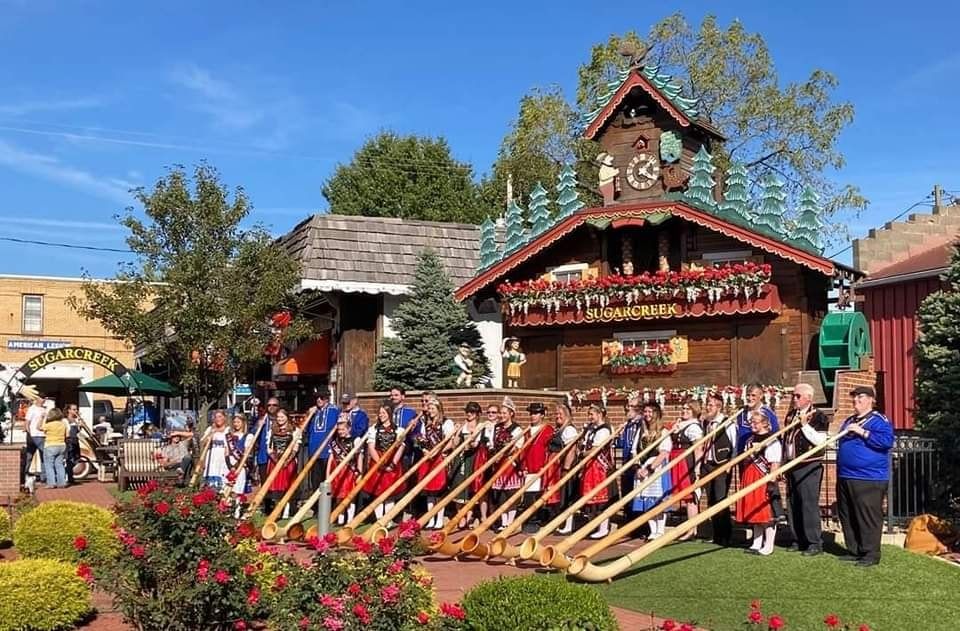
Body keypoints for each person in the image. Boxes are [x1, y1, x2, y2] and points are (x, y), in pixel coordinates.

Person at [836, 386, 895, 567]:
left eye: (860, 397)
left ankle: (870, 554)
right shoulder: (849, 420)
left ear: (871, 399)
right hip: (846, 475)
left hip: (869, 478)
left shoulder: (878, 420)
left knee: (867, 516)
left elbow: (886, 442)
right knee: (848, 515)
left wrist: (862, 432)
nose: (856, 401)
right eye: (854, 398)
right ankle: (854, 550)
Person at [783, 383, 830, 556]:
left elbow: (821, 441)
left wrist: (804, 425)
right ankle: (798, 539)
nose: (794, 399)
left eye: (798, 396)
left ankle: (814, 543)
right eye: (794, 396)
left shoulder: (819, 416)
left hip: (809, 464)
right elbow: (786, 441)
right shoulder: (790, 415)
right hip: (791, 465)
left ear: (809, 398)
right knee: (793, 502)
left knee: (808, 504)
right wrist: (782, 464)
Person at [736, 410, 782, 556]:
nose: (752, 425)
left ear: (764, 423)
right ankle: (756, 542)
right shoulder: (750, 440)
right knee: (753, 511)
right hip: (750, 476)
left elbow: (774, 463)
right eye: (751, 423)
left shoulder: (771, 440)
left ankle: (768, 545)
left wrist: (771, 482)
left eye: (755, 422)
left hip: (763, 477)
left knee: (766, 514)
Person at [700, 392, 737, 545]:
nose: (707, 407)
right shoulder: (706, 423)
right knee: (711, 500)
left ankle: (725, 535)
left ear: (719, 407)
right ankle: (716, 534)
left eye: (710, 405)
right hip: (708, 464)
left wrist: (730, 464)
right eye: (707, 404)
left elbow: (735, 446)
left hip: (721, 464)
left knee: (720, 499)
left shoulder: (727, 423)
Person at [632, 403, 672, 540]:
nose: (647, 415)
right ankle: (652, 530)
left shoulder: (663, 432)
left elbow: (664, 453)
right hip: (642, 467)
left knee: (657, 500)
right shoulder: (641, 432)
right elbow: (634, 451)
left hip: (656, 467)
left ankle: (660, 531)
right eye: (646, 411)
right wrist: (637, 468)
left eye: (651, 412)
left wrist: (650, 469)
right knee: (645, 500)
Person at [417, 397, 456, 529]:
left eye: (432, 409)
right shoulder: (426, 424)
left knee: (439, 491)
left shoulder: (446, 423)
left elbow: (450, 441)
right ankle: (431, 519)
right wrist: (425, 450)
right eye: (429, 409)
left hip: (440, 459)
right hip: (428, 459)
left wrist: (438, 452)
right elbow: (422, 440)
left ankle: (439, 519)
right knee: (429, 491)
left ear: (439, 409)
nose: (430, 411)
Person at [668, 399, 705, 539]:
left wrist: (696, 468)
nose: (684, 411)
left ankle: (692, 529)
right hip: (676, 460)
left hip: (686, 462)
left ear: (694, 411)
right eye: (683, 408)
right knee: (681, 496)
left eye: (688, 409)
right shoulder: (680, 424)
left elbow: (698, 448)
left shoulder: (694, 427)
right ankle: (688, 528)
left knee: (690, 497)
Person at [450, 402, 489, 529]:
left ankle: (469, 516)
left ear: (477, 414)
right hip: (461, 459)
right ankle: (460, 516)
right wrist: (456, 433)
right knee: (459, 487)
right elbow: (455, 444)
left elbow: (476, 446)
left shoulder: (481, 427)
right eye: (467, 411)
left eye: (472, 412)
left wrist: (472, 438)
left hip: (474, 459)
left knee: (471, 488)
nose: (469, 414)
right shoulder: (462, 426)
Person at [364, 404, 405, 521]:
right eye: (380, 413)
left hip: (392, 463)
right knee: (377, 492)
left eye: (384, 413)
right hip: (377, 462)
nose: (381, 415)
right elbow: (371, 447)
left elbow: (400, 448)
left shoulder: (399, 430)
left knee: (390, 493)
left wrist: (393, 464)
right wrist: (380, 463)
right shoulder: (373, 429)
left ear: (390, 414)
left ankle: (387, 520)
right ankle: (379, 519)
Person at [579, 404, 614, 539]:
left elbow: (595, 450)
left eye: (591, 414)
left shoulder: (604, 430)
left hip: (600, 467)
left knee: (601, 498)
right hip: (590, 466)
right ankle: (593, 525)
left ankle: (603, 527)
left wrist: (583, 453)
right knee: (590, 498)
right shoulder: (591, 429)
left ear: (599, 415)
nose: (589, 417)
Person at [520, 402, 554, 531]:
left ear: (542, 415)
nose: (533, 416)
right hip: (529, 468)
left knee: (539, 496)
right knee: (529, 496)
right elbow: (523, 450)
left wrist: (545, 466)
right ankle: (529, 519)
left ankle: (538, 519)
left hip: (541, 467)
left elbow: (549, 451)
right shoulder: (527, 431)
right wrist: (523, 467)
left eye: (536, 413)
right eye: (532, 413)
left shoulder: (548, 430)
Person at [491, 397, 524, 533]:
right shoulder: (497, 428)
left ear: (511, 414)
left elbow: (517, 446)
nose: (502, 415)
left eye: (505, 413)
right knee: (500, 495)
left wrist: (504, 453)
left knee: (510, 493)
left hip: (510, 463)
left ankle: (510, 522)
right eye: (501, 413)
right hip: (498, 464)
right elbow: (492, 444)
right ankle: (504, 522)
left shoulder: (516, 429)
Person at [549, 403, 581, 535]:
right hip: (556, 467)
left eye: (560, 414)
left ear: (567, 415)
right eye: (556, 414)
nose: (558, 416)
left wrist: (566, 468)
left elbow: (571, 449)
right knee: (560, 496)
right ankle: (561, 522)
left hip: (565, 467)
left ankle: (568, 525)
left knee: (567, 495)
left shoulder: (569, 430)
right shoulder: (559, 429)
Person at [328, 415, 364, 526]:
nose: (340, 432)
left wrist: (359, 472)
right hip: (338, 471)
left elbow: (359, 457)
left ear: (349, 428)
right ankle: (340, 519)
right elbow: (331, 458)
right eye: (339, 430)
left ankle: (349, 520)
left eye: (343, 429)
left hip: (350, 472)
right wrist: (328, 474)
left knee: (349, 497)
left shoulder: (355, 440)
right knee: (338, 496)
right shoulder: (335, 441)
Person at [263, 409, 298, 516]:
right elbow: (269, 448)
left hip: (289, 462)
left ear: (287, 417)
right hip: (275, 461)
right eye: (278, 417)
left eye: (282, 416)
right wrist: (276, 460)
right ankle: (278, 510)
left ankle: (287, 509)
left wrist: (286, 461)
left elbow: (295, 448)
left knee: (287, 486)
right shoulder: (272, 430)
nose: (280, 419)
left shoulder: (294, 430)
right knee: (276, 487)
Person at [619, 398, 645, 524]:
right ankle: (628, 520)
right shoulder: (628, 424)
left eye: (631, 406)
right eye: (627, 405)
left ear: (639, 408)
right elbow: (622, 444)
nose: (627, 408)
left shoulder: (642, 423)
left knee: (637, 493)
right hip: (626, 461)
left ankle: (638, 524)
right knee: (626, 490)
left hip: (636, 461)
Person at [736, 384, 779, 453]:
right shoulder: (741, 413)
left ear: (761, 396)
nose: (750, 398)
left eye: (753, 395)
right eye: (748, 395)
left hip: (760, 458)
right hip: (741, 456)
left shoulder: (769, 415)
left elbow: (776, 437)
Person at [226, 413, 253, 503]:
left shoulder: (248, 436)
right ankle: (227, 507)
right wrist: (229, 465)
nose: (236, 424)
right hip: (229, 464)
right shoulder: (229, 436)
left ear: (243, 423)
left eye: (238, 422)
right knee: (228, 487)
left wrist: (237, 465)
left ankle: (237, 509)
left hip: (241, 465)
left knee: (239, 488)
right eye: (234, 422)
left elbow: (246, 453)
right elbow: (226, 451)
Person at [201, 410, 230, 489]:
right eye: (216, 417)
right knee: (210, 483)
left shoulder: (228, 430)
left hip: (223, 458)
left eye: (220, 416)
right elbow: (203, 443)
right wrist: (211, 432)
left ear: (224, 418)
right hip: (211, 458)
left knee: (223, 482)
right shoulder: (210, 429)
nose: (218, 419)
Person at [40, 407, 69, 488]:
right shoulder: (63, 424)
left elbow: (39, 427)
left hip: (50, 445)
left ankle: (51, 483)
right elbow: (67, 435)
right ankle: (62, 482)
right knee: (59, 465)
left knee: (49, 465)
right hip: (61, 445)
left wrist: (43, 418)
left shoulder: (49, 425)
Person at [254, 397, 280, 485]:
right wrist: (257, 426)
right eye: (269, 405)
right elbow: (252, 436)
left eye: (274, 405)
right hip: (263, 457)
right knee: (265, 484)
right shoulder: (262, 420)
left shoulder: (282, 419)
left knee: (277, 483)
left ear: (278, 407)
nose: (271, 407)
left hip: (277, 457)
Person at [25, 396, 48, 484]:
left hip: (43, 435)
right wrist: (29, 433)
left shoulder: (45, 409)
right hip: (34, 435)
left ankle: (44, 477)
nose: (44, 400)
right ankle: (25, 474)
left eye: (45, 398)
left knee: (44, 456)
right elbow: (27, 422)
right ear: (37, 399)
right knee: (29, 456)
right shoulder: (32, 409)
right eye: (42, 398)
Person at [64, 403, 82, 485]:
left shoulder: (76, 420)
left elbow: (77, 431)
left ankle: (70, 474)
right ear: (69, 410)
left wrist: (79, 424)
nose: (76, 411)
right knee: (69, 458)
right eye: (74, 409)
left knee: (76, 458)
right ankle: (69, 476)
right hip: (69, 441)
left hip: (75, 440)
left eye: (76, 409)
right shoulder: (66, 420)